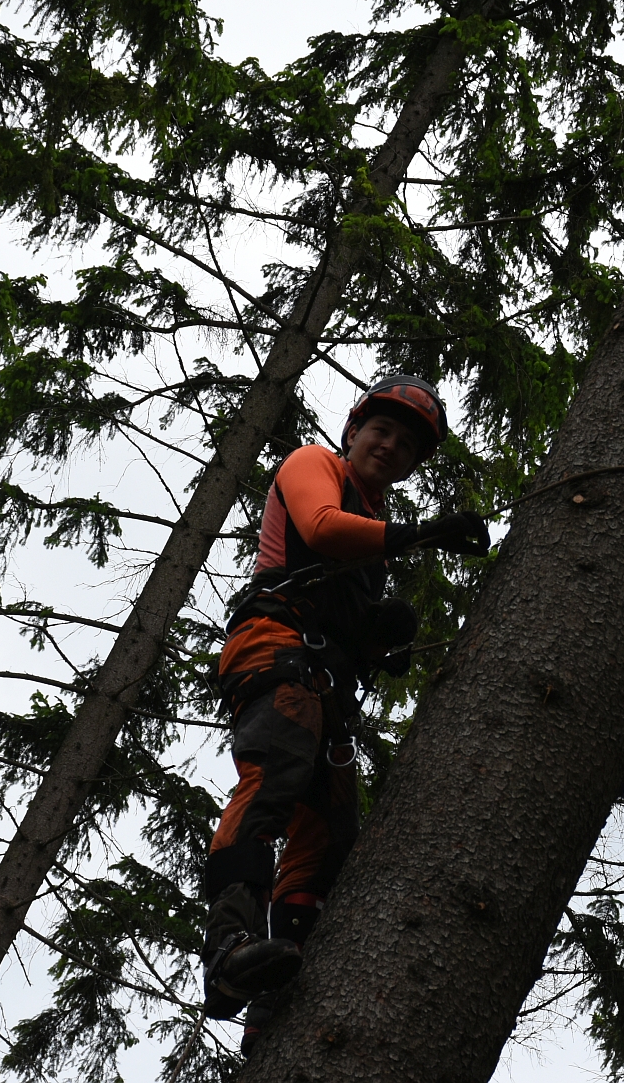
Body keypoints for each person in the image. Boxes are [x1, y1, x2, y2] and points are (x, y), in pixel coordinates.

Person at [200, 375, 489, 1050]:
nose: (390, 446)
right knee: (275, 776)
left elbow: (342, 592)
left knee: (329, 833)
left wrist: (376, 633)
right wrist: (422, 534)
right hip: (275, 645)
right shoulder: (314, 465)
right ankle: (227, 946)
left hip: (323, 677)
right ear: (353, 431)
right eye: (381, 431)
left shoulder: (372, 525)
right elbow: (319, 529)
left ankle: (274, 993)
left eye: (407, 444)